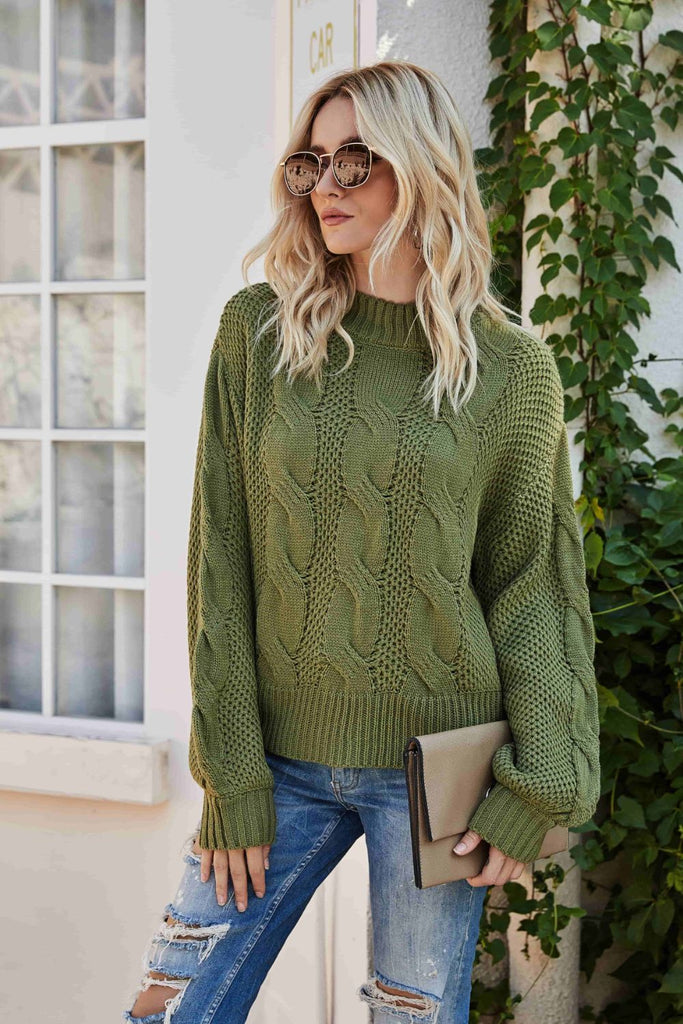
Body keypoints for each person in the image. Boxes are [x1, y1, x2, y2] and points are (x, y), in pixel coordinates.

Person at [122, 59, 601, 1024]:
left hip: (437, 774)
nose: (324, 187)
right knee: (170, 1007)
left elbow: (532, 592)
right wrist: (231, 773)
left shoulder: (511, 369)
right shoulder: (258, 332)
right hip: (274, 762)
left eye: (354, 160)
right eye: (309, 164)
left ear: (419, 166)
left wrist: (540, 786)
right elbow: (219, 563)